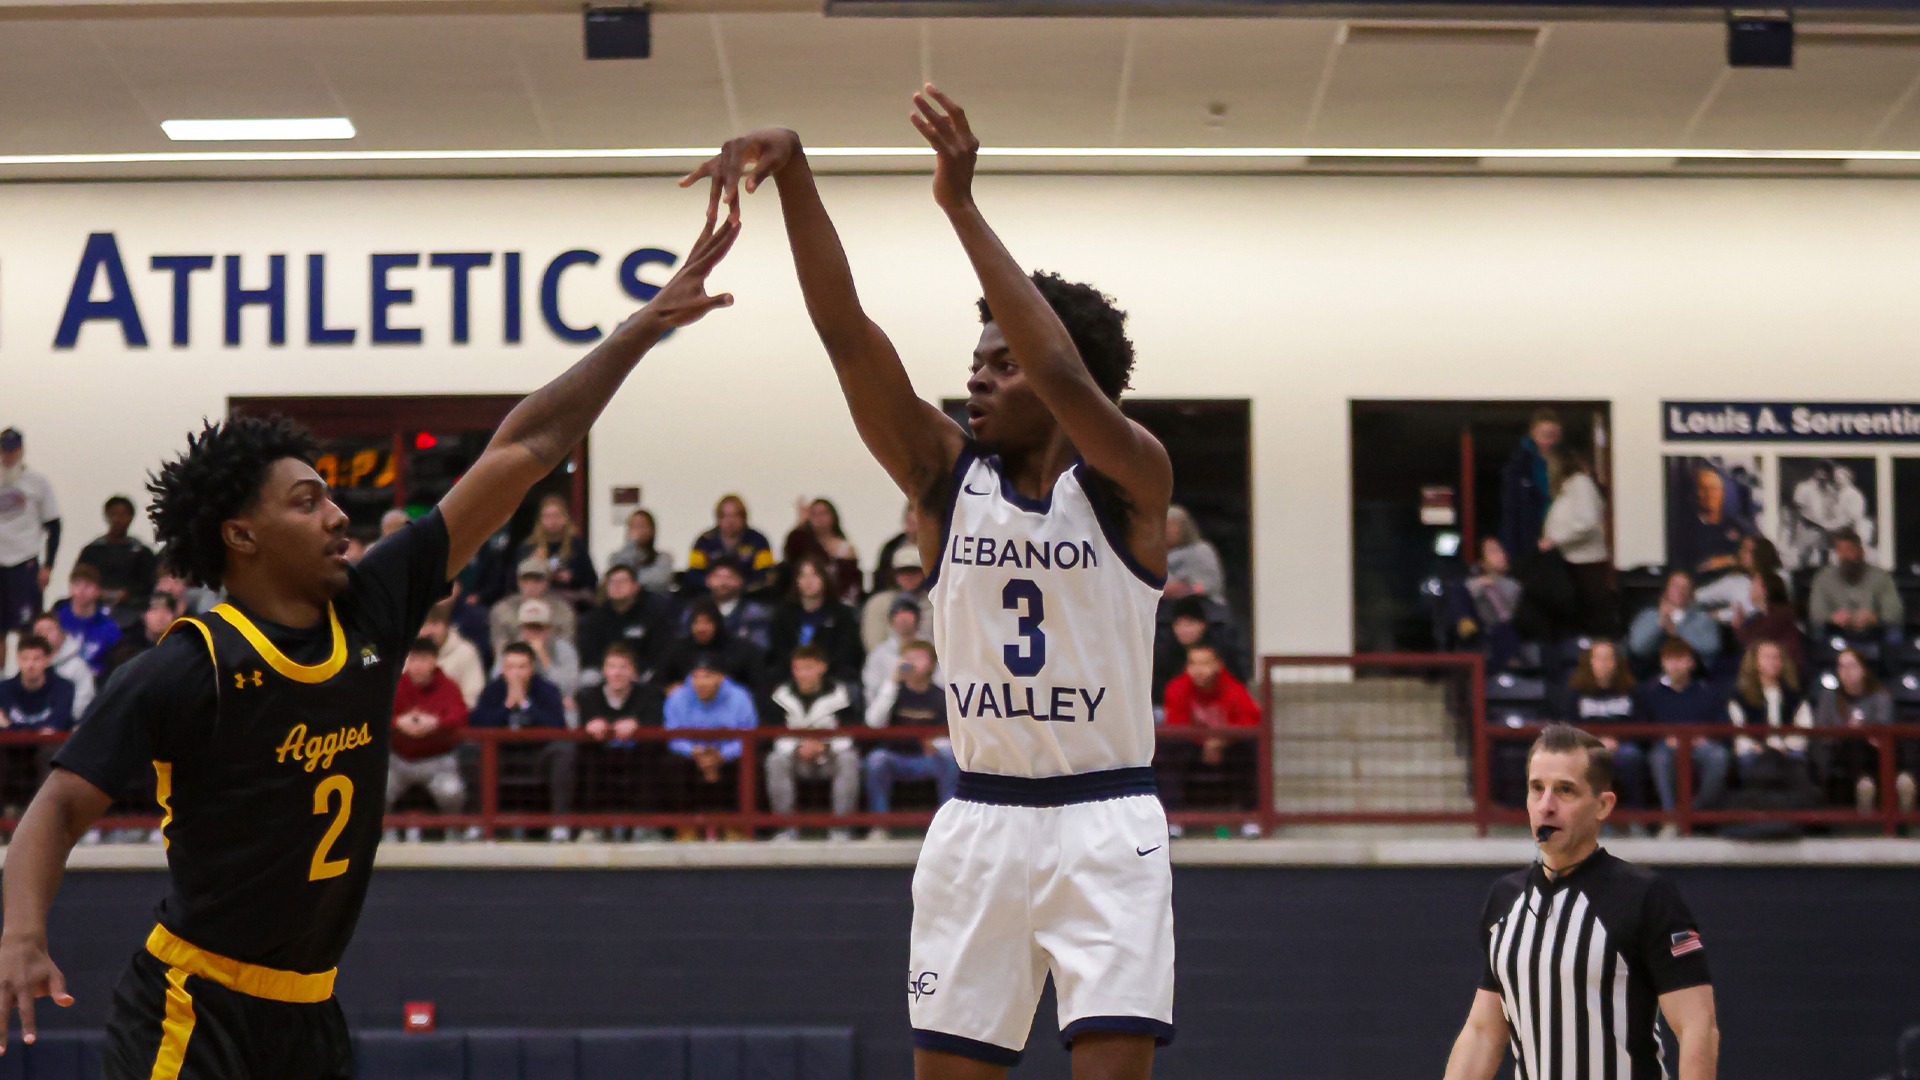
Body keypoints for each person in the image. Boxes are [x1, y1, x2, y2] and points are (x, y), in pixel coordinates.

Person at [0, 204, 735, 1074]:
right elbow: (56, 806)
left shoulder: (374, 601)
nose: (339, 513)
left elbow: (526, 444)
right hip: (193, 1013)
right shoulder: (188, 666)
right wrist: (21, 933)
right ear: (242, 535)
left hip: (310, 1013)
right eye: (306, 500)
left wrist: (637, 331)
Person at [691, 85, 1176, 1074]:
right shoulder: (943, 479)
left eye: (1003, 362)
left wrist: (958, 206)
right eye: (977, 360)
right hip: (980, 820)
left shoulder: (1132, 480)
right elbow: (846, 336)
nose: (979, 378)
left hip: (1106, 821)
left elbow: (1070, 382)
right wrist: (796, 173)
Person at [1442, 724, 1719, 1080]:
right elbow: (1483, 1033)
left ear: (1602, 805)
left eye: (1565, 791)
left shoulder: (1646, 896)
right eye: (1536, 789)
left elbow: (1698, 1028)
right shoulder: (1505, 899)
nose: (1546, 806)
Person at [471, 641, 575, 841]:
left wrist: (526, 705)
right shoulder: (493, 690)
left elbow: (557, 726)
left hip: (537, 754)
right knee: (474, 752)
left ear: (532, 668)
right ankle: (479, 821)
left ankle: (560, 822)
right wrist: (508, 706)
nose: (516, 673)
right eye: (510, 667)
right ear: (502, 669)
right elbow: (478, 724)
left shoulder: (547, 690)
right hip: (501, 754)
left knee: (564, 750)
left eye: (522, 667)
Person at [863, 640, 958, 840]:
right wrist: (892, 683)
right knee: (876, 760)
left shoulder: (941, 696)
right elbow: (873, 722)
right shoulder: (893, 691)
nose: (911, 662)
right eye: (908, 657)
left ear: (932, 664)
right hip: (896, 756)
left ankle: (946, 827)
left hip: (928, 759)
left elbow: (953, 735)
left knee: (950, 759)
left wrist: (936, 744)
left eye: (918, 657)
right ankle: (880, 825)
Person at [765, 645, 861, 842]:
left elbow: (851, 733)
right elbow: (773, 733)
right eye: (798, 668)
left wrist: (824, 746)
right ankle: (785, 828)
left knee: (849, 759)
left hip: (830, 758)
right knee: (775, 760)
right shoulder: (779, 696)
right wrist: (798, 747)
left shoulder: (842, 696)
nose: (802, 674)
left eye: (808, 667)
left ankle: (840, 828)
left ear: (822, 667)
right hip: (795, 758)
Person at [1636, 638, 1732, 832]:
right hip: (1666, 746)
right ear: (1663, 662)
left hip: (1701, 745)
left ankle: (1693, 812)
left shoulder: (1708, 691)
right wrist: (1663, 739)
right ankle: (1670, 817)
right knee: (1659, 757)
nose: (1676, 666)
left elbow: (1723, 726)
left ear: (1691, 663)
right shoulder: (1648, 692)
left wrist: (1705, 737)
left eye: (1681, 660)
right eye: (1671, 660)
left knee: (1719, 756)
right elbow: (1642, 728)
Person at [1157, 643, 1261, 823]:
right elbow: (1176, 724)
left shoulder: (1234, 689)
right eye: (1193, 664)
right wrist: (1206, 741)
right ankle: (1173, 818)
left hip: (1227, 750)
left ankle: (1251, 817)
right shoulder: (1176, 688)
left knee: (1250, 747)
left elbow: (1250, 723)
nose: (1199, 670)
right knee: (1169, 746)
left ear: (1218, 665)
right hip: (1193, 749)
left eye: (1205, 663)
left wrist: (1220, 741)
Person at [575, 643, 666, 837]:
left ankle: (645, 826)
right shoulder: (588, 697)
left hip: (636, 756)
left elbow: (656, 724)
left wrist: (637, 725)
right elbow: (581, 725)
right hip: (601, 757)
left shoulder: (649, 696)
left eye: (623, 667)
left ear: (633, 672)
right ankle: (592, 827)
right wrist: (590, 725)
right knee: (584, 758)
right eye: (612, 667)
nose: (617, 673)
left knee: (653, 757)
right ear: (604, 671)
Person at [661, 654, 758, 834]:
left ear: (720, 677)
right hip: (691, 757)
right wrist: (694, 751)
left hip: (727, 756)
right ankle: (683, 827)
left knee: (751, 763)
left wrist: (722, 755)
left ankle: (736, 827)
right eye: (696, 676)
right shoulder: (677, 698)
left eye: (708, 676)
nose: (701, 682)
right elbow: (672, 736)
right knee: (670, 764)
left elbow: (749, 737)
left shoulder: (740, 698)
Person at [1812, 648, 1915, 816]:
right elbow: (1820, 733)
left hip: (1874, 752)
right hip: (1841, 752)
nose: (1846, 672)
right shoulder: (1828, 698)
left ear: (1863, 669)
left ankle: (1897, 793)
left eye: (1852, 666)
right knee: (1854, 742)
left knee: (1878, 744)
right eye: (1841, 667)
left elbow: (1883, 728)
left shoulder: (1880, 695)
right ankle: (1866, 784)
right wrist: (1847, 731)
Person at [386, 638, 469, 837]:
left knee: (452, 792)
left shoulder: (448, 686)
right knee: (376, 789)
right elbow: (374, 714)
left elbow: (460, 716)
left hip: (437, 760)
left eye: (423, 660)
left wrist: (435, 723)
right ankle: (384, 833)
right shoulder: (395, 684)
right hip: (398, 758)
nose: (417, 665)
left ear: (434, 661)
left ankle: (453, 833)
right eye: (413, 659)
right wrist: (397, 723)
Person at [1558, 641, 1652, 810]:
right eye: (1599, 659)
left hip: (1624, 746)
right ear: (1590, 662)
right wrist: (1597, 743)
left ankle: (1637, 816)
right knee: (1588, 761)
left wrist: (1617, 741)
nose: (1603, 664)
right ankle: (1595, 818)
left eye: (1608, 659)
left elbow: (1642, 727)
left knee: (1631, 757)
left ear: (1616, 662)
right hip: (1587, 747)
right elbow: (1569, 728)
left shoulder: (1632, 691)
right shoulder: (1575, 692)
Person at [0, 427, 61, 669]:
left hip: (24, 563)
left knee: (27, 628)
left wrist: (48, 565)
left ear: (21, 451)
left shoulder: (37, 483)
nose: (8, 456)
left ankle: (26, 675)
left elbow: (54, 525)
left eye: (13, 451)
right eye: (4, 451)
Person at [1539, 451, 1614, 637]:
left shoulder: (1580, 483)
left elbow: (1588, 521)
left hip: (1587, 564)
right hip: (1573, 564)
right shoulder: (1567, 490)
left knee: (1591, 621)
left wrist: (1556, 539)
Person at [0, 636, 75, 813]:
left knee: (51, 752)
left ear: (48, 660)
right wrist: (37, 730)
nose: (30, 665)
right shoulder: (3, 689)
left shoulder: (64, 687)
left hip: (47, 750)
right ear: (18, 659)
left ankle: (48, 817)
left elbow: (59, 722)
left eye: (36, 658)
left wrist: (12, 727)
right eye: (25, 659)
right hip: (12, 750)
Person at [767, 553, 864, 687]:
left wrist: (817, 669)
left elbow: (847, 652)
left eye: (814, 575)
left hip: (832, 675)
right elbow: (779, 651)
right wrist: (801, 670)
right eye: (803, 576)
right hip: (791, 675)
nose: (808, 581)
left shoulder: (842, 614)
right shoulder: (783, 615)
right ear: (796, 581)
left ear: (824, 579)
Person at [1726, 640, 1813, 788]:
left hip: (1788, 751)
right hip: (1754, 752)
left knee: (1796, 765)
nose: (1773, 662)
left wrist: (1786, 746)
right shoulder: (1740, 697)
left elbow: (1804, 728)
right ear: (1754, 662)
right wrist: (1758, 747)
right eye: (1767, 657)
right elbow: (1738, 732)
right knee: (1749, 762)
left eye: (1777, 657)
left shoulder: (1794, 696)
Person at [577, 562, 675, 687]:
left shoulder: (652, 615)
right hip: (605, 672)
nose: (617, 586)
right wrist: (612, 669)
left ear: (635, 586)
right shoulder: (595, 618)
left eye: (622, 581)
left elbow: (660, 652)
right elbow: (589, 653)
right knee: (588, 678)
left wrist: (632, 670)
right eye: (612, 582)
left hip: (641, 672)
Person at [1808, 527, 1904, 645]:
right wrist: (1832, 618)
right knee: (1819, 630)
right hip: (1838, 632)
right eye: (1840, 551)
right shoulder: (1824, 577)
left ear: (1861, 551)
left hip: (1873, 632)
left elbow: (1895, 612)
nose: (1845, 556)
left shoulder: (1881, 576)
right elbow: (1816, 614)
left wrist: (1874, 618)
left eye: (1849, 550)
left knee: (1894, 631)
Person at [513, 494, 597, 612]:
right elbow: (515, 578)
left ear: (565, 518)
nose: (552, 521)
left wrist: (571, 578)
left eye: (556, 516)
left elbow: (590, 579)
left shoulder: (576, 545)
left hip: (570, 600)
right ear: (540, 520)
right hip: (536, 598)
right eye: (547, 516)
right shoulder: (529, 547)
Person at [76, 496, 159, 616]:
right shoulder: (92, 550)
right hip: (94, 606)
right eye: (113, 514)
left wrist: (128, 593)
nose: (117, 519)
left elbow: (149, 583)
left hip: (133, 609)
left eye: (123, 514)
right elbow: (79, 578)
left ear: (131, 518)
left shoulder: (142, 552)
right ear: (107, 516)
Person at [1626, 570, 1721, 675]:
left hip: (1694, 677)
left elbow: (1711, 647)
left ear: (1691, 593)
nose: (1680, 590)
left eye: (1685, 587)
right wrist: (1660, 625)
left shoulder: (1702, 618)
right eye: (1675, 586)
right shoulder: (1649, 615)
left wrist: (1676, 632)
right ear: (1666, 590)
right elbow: (1637, 647)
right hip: (1653, 677)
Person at [661, 598, 765, 693]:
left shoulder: (742, 650)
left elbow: (759, 685)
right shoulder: (678, 650)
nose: (701, 628)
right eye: (696, 622)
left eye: (707, 622)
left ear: (717, 624)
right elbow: (659, 682)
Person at [685, 494, 777, 597]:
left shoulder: (758, 540)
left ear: (744, 517)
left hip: (747, 597)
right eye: (725, 516)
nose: (730, 521)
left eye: (735, 516)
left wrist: (738, 586)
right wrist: (715, 585)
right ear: (718, 519)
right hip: (710, 596)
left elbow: (765, 575)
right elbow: (693, 574)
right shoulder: (704, 541)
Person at [1498, 409, 1559, 562]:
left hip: (1557, 533)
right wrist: (1512, 549)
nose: (1548, 440)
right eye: (1544, 434)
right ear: (1533, 433)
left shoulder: (1564, 461)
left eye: (1551, 435)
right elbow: (1511, 509)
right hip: (1529, 536)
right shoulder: (1519, 464)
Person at [1672, 463, 1748, 585]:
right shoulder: (1685, 529)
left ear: (1722, 493)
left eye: (1714, 489)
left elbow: (1752, 558)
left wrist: (1726, 561)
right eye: (1703, 488)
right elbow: (1683, 566)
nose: (1709, 495)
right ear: (1695, 493)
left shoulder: (1738, 527)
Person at [493, 598, 582, 701]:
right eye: (529, 627)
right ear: (521, 628)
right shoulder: (511, 649)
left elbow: (569, 688)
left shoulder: (563, 648)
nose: (533, 633)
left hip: (552, 700)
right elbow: (496, 680)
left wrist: (544, 658)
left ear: (548, 628)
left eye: (538, 628)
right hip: (514, 698)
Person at [488, 558, 577, 655]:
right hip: (514, 662)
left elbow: (567, 647)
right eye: (526, 580)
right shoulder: (502, 610)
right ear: (518, 582)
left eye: (537, 580)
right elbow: (500, 648)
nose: (531, 585)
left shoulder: (563, 610)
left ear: (547, 582)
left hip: (552, 660)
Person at [783, 497, 862, 605]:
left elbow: (852, 581)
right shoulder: (803, 542)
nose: (819, 518)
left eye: (824, 513)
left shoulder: (845, 547)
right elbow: (791, 557)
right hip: (806, 600)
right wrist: (800, 523)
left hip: (839, 600)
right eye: (814, 514)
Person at [1461, 537, 1523, 669]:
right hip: (1484, 633)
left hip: (1511, 630)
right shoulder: (1471, 586)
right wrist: (1481, 586)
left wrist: (1496, 585)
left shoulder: (1515, 586)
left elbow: (1512, 613)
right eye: (1493, 552)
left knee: (1505, 630)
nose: (1500, 555)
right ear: (1482, 562)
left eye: (1501, 551)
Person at [692, 557, 774, 654]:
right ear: (707, 580)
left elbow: (760, 648)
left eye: (730, 577)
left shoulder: (756, 613)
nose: (723, 583)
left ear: (741, 581)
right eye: (717, 576)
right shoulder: (694, 610)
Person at [1731, 571, 1804, 675]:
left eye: (1754, 584)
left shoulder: (1781, 614)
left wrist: (1737, 626)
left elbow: (1752, 642)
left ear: (1764, 589)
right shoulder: (1760, 617)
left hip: (1787, 671)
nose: (1751, 588)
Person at [24, 612, 96, 719]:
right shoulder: (27, 666)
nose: (44, 635)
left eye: (49, 630)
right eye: (39, 631)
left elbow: (84, 703)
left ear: (61, 633)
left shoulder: (77, 666)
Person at [53, 564, 120, 676]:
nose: (82, 590)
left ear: (97, 591)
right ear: (70, 588)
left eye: (88, 585)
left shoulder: (109, 626)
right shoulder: (56, 621)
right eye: (77, 584)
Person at [861, 549, 932, 651]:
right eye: (903, 572)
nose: (908, 576)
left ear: (924, 573)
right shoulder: (878, 603)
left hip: (931, 660)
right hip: (886, 660)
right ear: (894, 574)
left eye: (914, 571)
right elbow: (873, 644)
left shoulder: (934, 602)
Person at [864, 596, 926, 707]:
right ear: (891, 620)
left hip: (929, 709)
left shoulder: (932, 649)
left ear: (918, 618)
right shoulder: (879, 654)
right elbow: (871, 693)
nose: (902, 618)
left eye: (907, 612)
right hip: (891, 712)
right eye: (897, 614)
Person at [420, 599, 485, 708]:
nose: (428, 631)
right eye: (423, 625)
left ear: (446, 625)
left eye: (434, 624)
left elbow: (473, 696)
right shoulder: (407, 653)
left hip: (454, 719)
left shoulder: (466, 652)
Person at [103, 595, 179, 679]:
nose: (161, 617)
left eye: (167, 611)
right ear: (144, 615)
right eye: (154, 610)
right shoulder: (127, 645)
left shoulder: (179, 647)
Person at [607, 508, 677, 594]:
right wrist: (631, 544)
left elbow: (659, 580)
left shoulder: (664, 558)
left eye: (641, 525)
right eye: (632, 526)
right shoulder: (615, 557)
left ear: (651, 530)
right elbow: (617, 576)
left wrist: (628, 581)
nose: (637, 531)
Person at [1163, 505, 1224, 599]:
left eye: (1172, 525)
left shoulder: (1201, 551)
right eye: (1164, 525)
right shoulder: (1152, 556)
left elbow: (1210, 584)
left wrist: (1185, 590)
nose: (1168, 530)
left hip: (1199, 606)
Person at [870, 502, 921, 595]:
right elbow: (881, 579)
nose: (913, 517)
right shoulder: (890, 548)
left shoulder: (941, 547)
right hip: (894, 594)